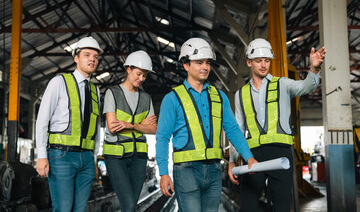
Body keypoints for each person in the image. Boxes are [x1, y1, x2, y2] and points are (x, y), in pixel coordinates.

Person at [156, 38, 258, 212]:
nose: (205, 67)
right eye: (199, 62)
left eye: (207, 62)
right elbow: (163, 137)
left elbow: (232, 129)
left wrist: (248, 156)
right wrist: (164, 173)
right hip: (186, 170)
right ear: (186, 65)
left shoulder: (219, 97)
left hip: (213, 170)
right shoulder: (172, 98)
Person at [228, 38, 326, 212]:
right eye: (259, 61)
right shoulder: (240, 94)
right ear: (249, 62)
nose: (264, 65)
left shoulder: (283, 84)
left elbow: (307, 86)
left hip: (280, 153)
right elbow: (238, 129)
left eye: (267, 60)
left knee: (281, 205)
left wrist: (314, 68)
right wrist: (232, 161)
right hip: (253, 156)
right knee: (248, 205)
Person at [35, 36, 103, 212]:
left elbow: (96, 128)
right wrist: (41, 155)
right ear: (76, 58)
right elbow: (42, 119)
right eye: (87, 54)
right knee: (64, 208)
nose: (92, 59)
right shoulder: (59, 82)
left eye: (95, 56)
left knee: (79, 210)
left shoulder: (95, 90)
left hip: (86, 160)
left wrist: (94, 159)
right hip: (61, 156)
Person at [102, 50, 157, 212]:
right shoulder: (113, 93)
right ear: (128, 69)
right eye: (138, 74)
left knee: (132, 205)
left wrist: (130, 125)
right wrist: (141, 124)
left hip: (138, 158)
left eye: (144, 76)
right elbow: (113, 126)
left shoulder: (146, 98)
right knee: (129, 205)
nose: (141, 79)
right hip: (115, 157)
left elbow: (153, 128)